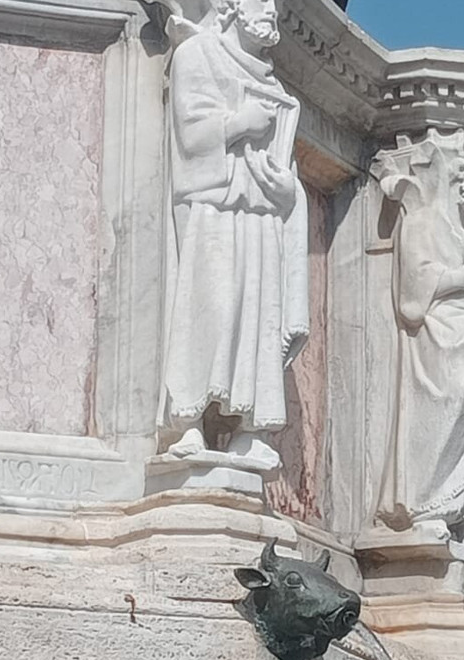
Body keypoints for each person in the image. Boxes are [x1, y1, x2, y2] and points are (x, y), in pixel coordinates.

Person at [159, 0, 309, 465]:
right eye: (260, 1)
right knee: (212, 305)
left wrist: (288, 190)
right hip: (212, 207)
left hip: (260, 213)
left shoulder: (273, 84)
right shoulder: (196, 54)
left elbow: (288, 169)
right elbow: (189, 136)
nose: (272, 12)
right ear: (230, 7)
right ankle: (185, 419)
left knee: (258, 317)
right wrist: (239, 124)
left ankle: (251, 428)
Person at [376, 129, 464, 560]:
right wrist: (461, 279)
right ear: (459, 182)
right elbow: (410, 302)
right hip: (441, 343)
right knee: (447, 407)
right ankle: (428, 506)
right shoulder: (422, 223)